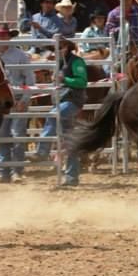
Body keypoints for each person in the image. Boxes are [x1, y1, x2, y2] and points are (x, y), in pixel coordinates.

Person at [33, 37, 88, 187]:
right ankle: (72, 177)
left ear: (66, 48)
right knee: (69, 142)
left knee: (53, 115)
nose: (56, 50)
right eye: (55, 48)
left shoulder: (76, 62)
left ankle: (42, 150)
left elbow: (82, 82)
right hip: (63, 101)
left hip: (72, 101)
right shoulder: (60, 63)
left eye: (59, 47)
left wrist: (64, 79)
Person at [0, 25, 34, 183]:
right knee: (2, 135)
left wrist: (24, 100)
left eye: (4, 35)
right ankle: (3, 171)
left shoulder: (21, 55)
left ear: (9, 37)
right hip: (1, 101)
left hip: (17, 100)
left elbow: (30, 80)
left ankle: (16, 170)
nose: (2, 38)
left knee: (17, 136)